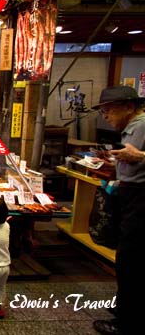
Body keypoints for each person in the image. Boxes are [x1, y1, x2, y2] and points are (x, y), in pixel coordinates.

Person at [91, 86, 145, 335]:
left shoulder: (143, 124)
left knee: (131, 259)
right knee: (128, 256)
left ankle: (126, 321)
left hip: (141, 199)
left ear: (129, 107)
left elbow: (137, 157)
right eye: (103, 111)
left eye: (109, 109)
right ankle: (127, 307)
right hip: (131, 195)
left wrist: (141, 155)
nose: (105, 115)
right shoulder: (132, 127)